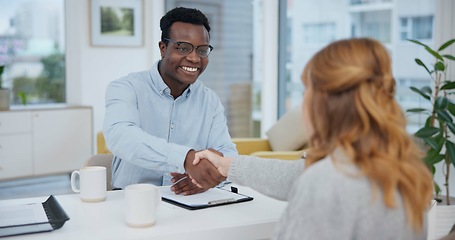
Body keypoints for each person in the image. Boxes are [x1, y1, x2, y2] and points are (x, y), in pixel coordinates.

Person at [194, 38, 433, 239]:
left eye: (306, 90)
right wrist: (229, 165)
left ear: (325, 103)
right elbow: (297, 175)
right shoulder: (403, 170)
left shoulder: (328, 181)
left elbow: (315, 180)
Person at [103, 7, 237, 194]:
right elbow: (121, 137)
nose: (193, 58)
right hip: (131, 199)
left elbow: (228, 153)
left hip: (188, 202)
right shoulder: (126, 88)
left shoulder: (209, 100)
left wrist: (204, 179)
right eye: (183, 48)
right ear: (163, 48)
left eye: (202, 50)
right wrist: (184, 159)